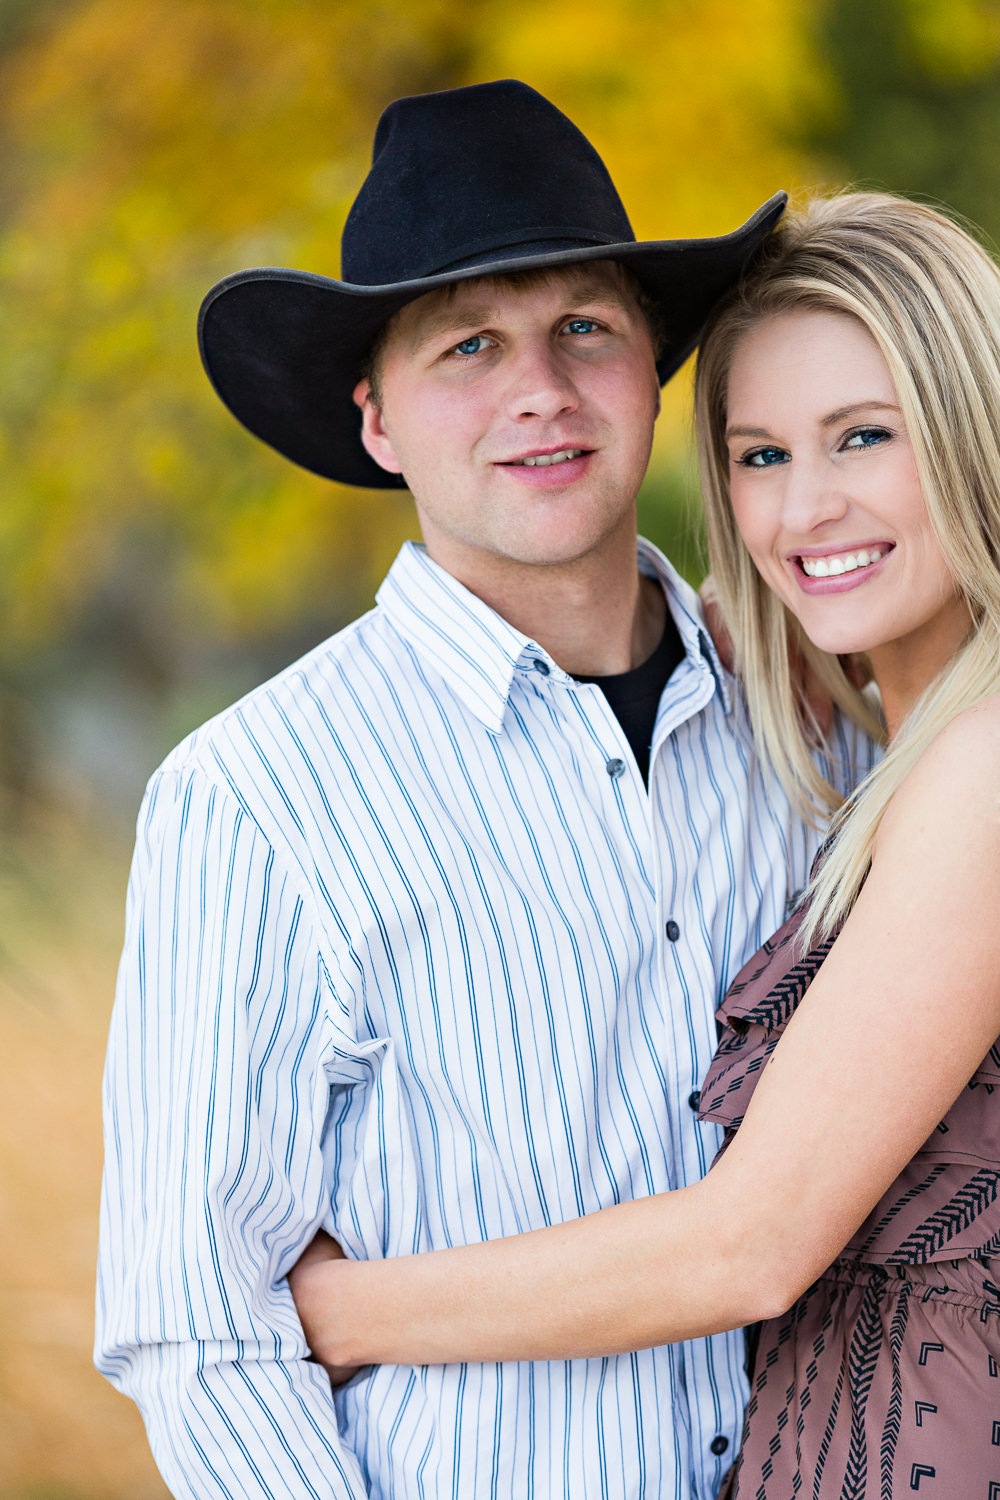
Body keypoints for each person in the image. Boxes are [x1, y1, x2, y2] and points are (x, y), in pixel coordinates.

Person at [95, 81, 875, 1499]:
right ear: (378, 421)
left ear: (654, 371)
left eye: (585, 327)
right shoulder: (256, 797)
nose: (540, 388)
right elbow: (199, 1327)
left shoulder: (823, 726)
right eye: (470, 345)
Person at [287, 192, 1000, 1497]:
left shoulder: (986, 768)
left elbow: (753, 1247)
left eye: (864, 437)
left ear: (971, 430)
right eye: (762, 457)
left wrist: (331, 1315)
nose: (808, 510)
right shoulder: (851, 729)